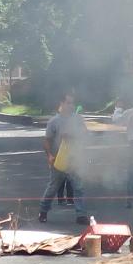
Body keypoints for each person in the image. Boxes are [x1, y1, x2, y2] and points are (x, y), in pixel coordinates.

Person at [39, 93, 89, 224]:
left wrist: (75, 134)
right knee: (53, 187)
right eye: (68, 103)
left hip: (74, 159)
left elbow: (85, 133)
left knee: (78, 187)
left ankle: (81, 215)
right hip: (59, 160)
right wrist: (49, 155)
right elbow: (47, 140)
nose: (71, 105)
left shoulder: (77, 119)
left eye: (72, 103)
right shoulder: (54, 121)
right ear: (61, 103)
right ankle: (43, 211)